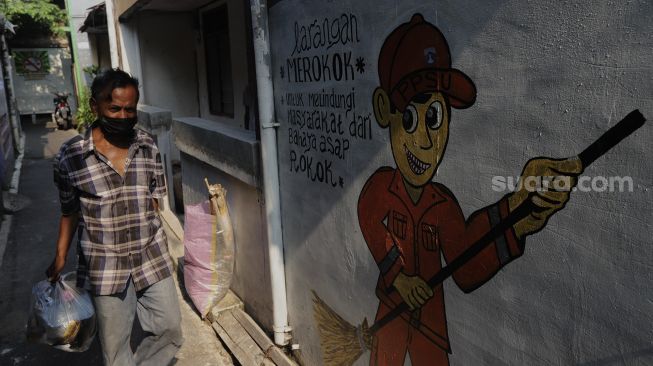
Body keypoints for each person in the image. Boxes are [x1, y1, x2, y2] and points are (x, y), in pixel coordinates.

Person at [358, 14, 583, 365]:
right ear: (385, 110)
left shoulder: (443, 205)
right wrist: (399, 278)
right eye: (411, 119)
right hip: (390, 318)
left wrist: (518, 214)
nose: (426, 141)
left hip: (431, 331)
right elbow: (370, 219)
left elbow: (465, 264)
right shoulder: (381, 187)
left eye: (434, 118)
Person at [46, 68, 184, 366]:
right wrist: (60, 257)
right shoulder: (71, 157)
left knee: (171, 330)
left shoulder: (147, 145)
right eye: (115, 108)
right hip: (104, 265)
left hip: (151, 256)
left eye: (130, 109)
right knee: (115, 347)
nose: (123, 116)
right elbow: (69, 211)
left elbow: (156, 202)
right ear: (96, 106)